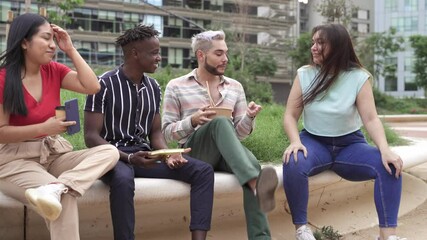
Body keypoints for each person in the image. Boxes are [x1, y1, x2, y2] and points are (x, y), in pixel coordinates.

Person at [83, 24, 214, 240]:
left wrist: (168, 153)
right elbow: (90, 137)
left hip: (144, 156)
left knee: (203, 171)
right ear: (134, 54)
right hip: (112, 157)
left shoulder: (153, 87)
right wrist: (129, 158)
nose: (159, 57)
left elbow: (155, 134)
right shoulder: (103, 84)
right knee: (124, 181)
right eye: (154, 52)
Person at [0, 13, 119, 240]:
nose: (52, 45)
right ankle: (57, 189)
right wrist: (44, 128)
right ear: (24, 42)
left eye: (54, 40)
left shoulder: (53, 71)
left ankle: (57, 187)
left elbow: (92, 86)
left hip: (53, 154)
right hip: (15, 161)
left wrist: (71, 50)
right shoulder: (4, 79)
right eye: (46, 38)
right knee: (66, 197)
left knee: (109, 152)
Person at [282, 23, 406, 240]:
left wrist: (385, 149)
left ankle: (387, 235)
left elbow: (371, 118)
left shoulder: (359, 77)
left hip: (350, 146)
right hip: (314, 142)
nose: (314, 47)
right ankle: (302, 230)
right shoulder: (305, 74)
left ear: (338, 46)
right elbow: (290, 115)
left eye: (321, 43)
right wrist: (294, 141)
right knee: (293, 162)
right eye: (313, 42)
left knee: (390, 166)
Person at [162, 29, 279, 240]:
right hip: (194, 153)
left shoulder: (235, 87)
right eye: (218, 53)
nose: (225, 58)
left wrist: (249, 118)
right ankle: (255, 183)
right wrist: (193, 121)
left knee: (250, 160)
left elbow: (238, 136)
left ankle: (261, 237)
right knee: (221, 125)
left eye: (226, 53)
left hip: (226, 154)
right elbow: (167, 134)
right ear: (201, 55)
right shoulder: (176, 86)